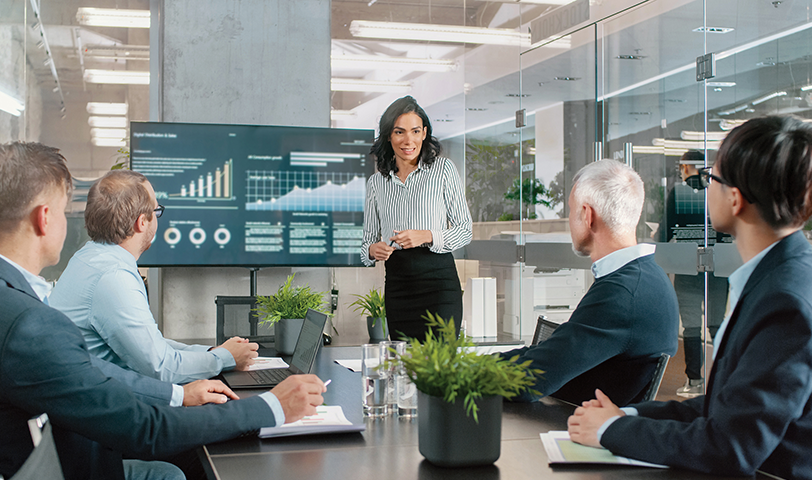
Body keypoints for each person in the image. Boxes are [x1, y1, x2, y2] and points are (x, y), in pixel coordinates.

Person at [0, 142, 326, 480]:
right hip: (86, 450)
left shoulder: (37, 288)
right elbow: (146, 422)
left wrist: (190, 380)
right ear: (45, 218)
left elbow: (98, 368)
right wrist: (269, 406)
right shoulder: (33, 321)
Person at [567, 116, 812, 479]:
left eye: (712, 178)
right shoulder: (776, 277)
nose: (703, 188)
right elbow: (727, 409)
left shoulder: (786, 301)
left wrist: (609, 431)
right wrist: (624, 415)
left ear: (735, 198)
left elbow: (731, 446)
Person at [50, 170, 258, 384]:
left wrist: (212, 351)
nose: (157, 217)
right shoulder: (113, 278)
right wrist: (226, 358)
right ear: (141, 222)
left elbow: (150, 346)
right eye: (156, 211)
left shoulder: (89, 257)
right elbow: (162, 368)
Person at [501, 159, 679, 406]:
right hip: (579, 416)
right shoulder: (645, 275)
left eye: (572, 211)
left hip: (572, 429)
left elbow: (532, 379)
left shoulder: (622, 293)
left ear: (587, 215)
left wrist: (447, 373)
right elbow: (548, 355)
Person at [361, 95, 472, 340]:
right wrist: (372, 250)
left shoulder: (443, 170)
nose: (408, 140)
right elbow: (366, 241)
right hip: (398, 286)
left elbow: (465, 229)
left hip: (439, 285)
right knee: (404, 366)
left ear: (424, 133)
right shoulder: (377, 183)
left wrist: (428, 235)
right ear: (389, 136)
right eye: (399, 132)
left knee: (439, 368)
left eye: (415, 131)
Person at [657, 150, 729, 397]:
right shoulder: (718, 192)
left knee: (690, 328)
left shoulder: (678, 192)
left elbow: (664, 234)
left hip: (688, 270)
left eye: (681, 166)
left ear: (687, 167)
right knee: (716, 326)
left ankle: (694, 381)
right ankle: (722, 381)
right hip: (718, 269)